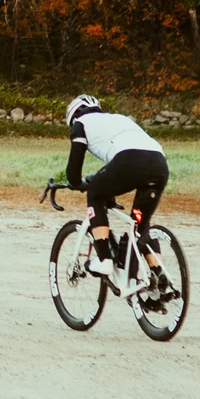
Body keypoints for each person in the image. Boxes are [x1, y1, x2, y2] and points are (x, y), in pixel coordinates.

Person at [66, 94, 170, 297]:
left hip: (129, 160)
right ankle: (158, 272)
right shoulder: (120, 118)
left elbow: (73, 173)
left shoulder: (81, 123)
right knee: (141, 222)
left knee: (95, 193)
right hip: (159, 163)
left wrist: (78, 184)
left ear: (73, 115)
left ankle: (104, 259)